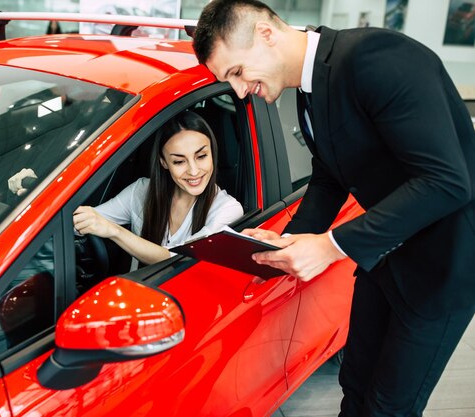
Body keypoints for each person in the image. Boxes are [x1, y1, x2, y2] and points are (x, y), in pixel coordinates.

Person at [193, 1, 474, 417]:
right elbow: (330, 177)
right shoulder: (310, 89)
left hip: (443, 267)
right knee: (355, 385)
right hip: (382, 257)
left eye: (236, 72)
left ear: (266, 35)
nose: (237, 90)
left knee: (389, 407)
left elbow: (447, 182)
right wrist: (289, 239)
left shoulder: (377, 58)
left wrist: (329, 245)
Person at [73, 110, 243, 267]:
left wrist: (114, 231)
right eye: (179, 161)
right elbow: (86, 220)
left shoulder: (227, 209)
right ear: (164, 162)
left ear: (212, 153)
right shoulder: (141, 191)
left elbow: (179, 261)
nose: (193, 170)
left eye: (201, 156)